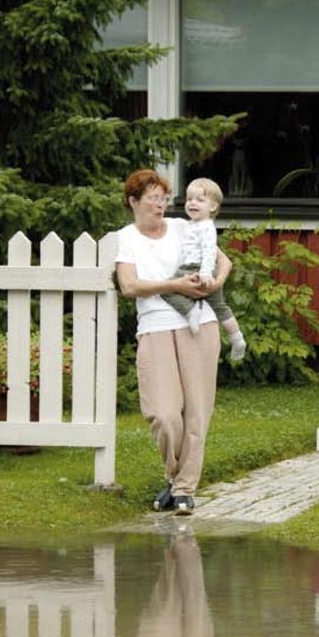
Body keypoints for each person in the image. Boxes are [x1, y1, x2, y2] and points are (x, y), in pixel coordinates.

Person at [115, 168, 233, 515]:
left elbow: (224, 261)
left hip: (200, 325)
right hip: (154, 327)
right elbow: (129, 286)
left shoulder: (185, 227)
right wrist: (174, 286)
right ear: (133, 202)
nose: (160, 204)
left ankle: (183, 489)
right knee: (163, 414)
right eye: (152, 198)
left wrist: (214, 282)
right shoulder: (127, 237)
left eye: (163, 198)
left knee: (197, 412)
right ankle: (174, 478)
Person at [159, 177, 247, 362]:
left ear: (213, 207)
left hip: (196, 269)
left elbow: (209, 252)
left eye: (200, 200)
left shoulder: (206, 227)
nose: (192, 203)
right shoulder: (191, 225)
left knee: (165, 288)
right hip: (201, 270)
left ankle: (190, 311)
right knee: (220, 307)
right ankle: (237, 338)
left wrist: (206, 273)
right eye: (190, 199)